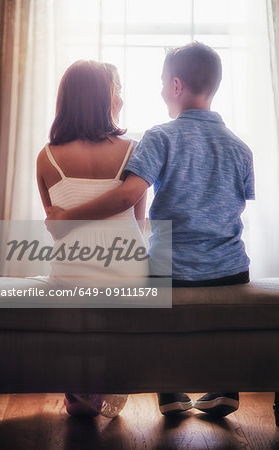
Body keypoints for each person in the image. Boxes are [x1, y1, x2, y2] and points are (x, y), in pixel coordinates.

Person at [46, 43, 255, 417]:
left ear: (176, 86)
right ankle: (226, 387)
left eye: (162, 83)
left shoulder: (160, 136)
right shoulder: (241, 148)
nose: (160, 91)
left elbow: (127, 195)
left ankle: (169, 392)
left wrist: (68, 218)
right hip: (231, 268)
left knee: (158, 318)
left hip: (172, 269)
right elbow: (238, 203)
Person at [36, 60, 149, 417]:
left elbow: (56, 225)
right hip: (128, 274)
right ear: (103, 98)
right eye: (116, 91)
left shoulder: (47, 157)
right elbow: (139, 221)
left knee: (71, 284)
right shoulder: (134, 151)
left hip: (72, 276)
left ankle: (79, 389)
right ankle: (103, 384)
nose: (120, 98)